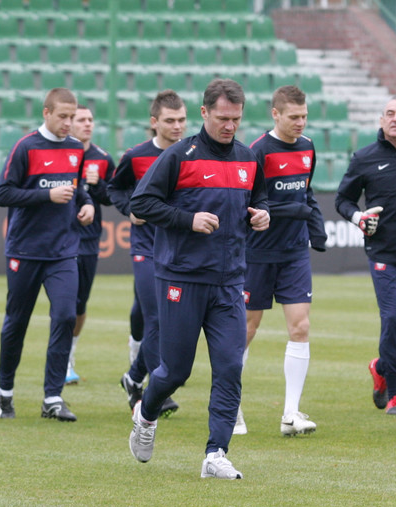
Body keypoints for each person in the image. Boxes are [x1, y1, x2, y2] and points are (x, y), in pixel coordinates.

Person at [127, 78, 270, 479]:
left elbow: (259, 202)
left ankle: (216, 454)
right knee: (174, 372)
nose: (230, 126)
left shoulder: (247, 158)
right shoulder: (178, 155)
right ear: (205, 113)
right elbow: (141, 202)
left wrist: (262, 215)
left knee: (229, 367)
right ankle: (147, 413)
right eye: (223, 118)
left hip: (228, 282)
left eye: (236, 119)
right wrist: (187, 220)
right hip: (181, 278)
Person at [0, 88, 94, 421]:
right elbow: (4, 194)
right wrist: (47, 195)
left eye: (73, 117)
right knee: (16, 323)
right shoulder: (25, 147)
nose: (69, 123)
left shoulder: (74, 149)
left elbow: (77, 187)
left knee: (66, 315)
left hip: (63, 250)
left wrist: (87, 205)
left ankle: (52, 397)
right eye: (63, 116)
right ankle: (5, 393)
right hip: (25, 249)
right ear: (46, 113)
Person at [242, 85, 327, 436]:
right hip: (257, 253)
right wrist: (294, 210)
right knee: (244, 331)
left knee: (300, 327)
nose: (300, 123)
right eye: (294, 117)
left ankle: (291, 414)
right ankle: (230, 407)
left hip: (293, 252)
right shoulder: (258, 152)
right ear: (275, 114)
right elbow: (247, 205)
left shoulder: (307, 148)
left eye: (304, 116)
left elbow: (306, 193)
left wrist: (316, 229)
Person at [335, 96, 396, 417]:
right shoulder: (364, 157)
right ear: (381, 120)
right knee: (393, 318)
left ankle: (382, 366)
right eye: (390, 114)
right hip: (382, 252)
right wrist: (358, 218)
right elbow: (343, 200)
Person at [111, 89, 186, 418]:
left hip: (179, 249)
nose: (178, 127)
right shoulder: (137, 156)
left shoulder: (192, 153)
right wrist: (129, 209)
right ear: (154, 122)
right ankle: (158, 390)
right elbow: (115, 187)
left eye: (182, 120)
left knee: (159, 318)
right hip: (145, 247)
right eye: (170, 121)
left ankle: (132, 377)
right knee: (157, 317)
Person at [63, 104, 115, 384]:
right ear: (69, 123)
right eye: (81, 119)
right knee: (64, 305)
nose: (87, 124)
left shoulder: (102, 159)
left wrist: (97, 186)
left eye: (90, 120)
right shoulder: (60, 154)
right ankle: (61, 362)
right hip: (60, 240)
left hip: (89, 241)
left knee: (80, 305)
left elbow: (113, 197)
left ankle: (69, 355)